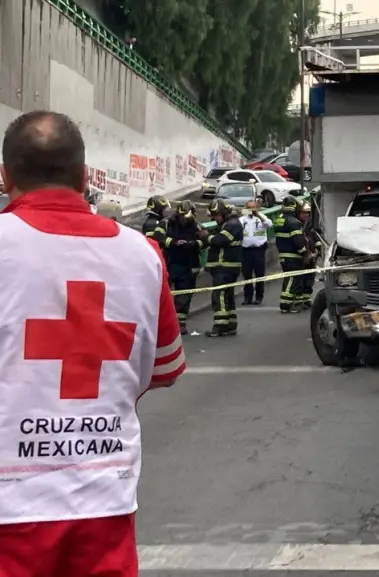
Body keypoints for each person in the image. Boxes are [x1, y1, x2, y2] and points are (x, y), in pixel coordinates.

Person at [0, 110, 186, 576]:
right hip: (104, 497)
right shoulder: (143, 254)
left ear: (5, 178)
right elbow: (162, 371)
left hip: (10, 506)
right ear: (85, 178)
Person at [163, 200, 208, 334]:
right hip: (170, 263)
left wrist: (194, 244)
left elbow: (205, 241)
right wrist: (175, 243)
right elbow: (158, 237)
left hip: (189, 265)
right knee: (164, 295)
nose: (184, 220)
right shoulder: (167, 223)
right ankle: (164, 324)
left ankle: (179, 324)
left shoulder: (196, 226)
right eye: (183, 217)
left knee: (184, 296)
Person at [205, 199, 243, 337]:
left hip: (225, 267)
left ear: (223, 213)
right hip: (228, 267)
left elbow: (219, 241)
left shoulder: (232, 225)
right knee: (228, 295)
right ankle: (230, 324)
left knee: (219, 295)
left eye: (216, 215)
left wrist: (206, 237)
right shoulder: (228, 223)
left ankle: (220, 326)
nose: (214, 218)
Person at [274, 196, 309, 313]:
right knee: (292, 280)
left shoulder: (279, 220)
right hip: (293, 256)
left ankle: (288, 303)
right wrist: (305, 253)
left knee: (288, 278)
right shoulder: (294, 223)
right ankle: (286, 305)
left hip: (283, 254)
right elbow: (298, 241)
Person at [239, 199, 272, 306]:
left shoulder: (262, 217)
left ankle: (258, 297)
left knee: (259, 274)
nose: (251, 209)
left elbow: (269, 225)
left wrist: (258, 215)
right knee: (247, 274)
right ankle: (247, 297)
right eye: (249, 207)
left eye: (253, 207)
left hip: (259, 250)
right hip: (246, 250)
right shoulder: (242, 220)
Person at [294, 201, 321, 309]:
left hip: (312, 255)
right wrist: (305, 253)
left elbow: (316, 238)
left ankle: (306, 299)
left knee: (310, 279)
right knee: (300, 278)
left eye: (308, 213)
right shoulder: (296, 225)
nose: (306, 215)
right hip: (301, 256)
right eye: (303, 213)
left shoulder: (311, 225)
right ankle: (299, 299)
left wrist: (317, 251)